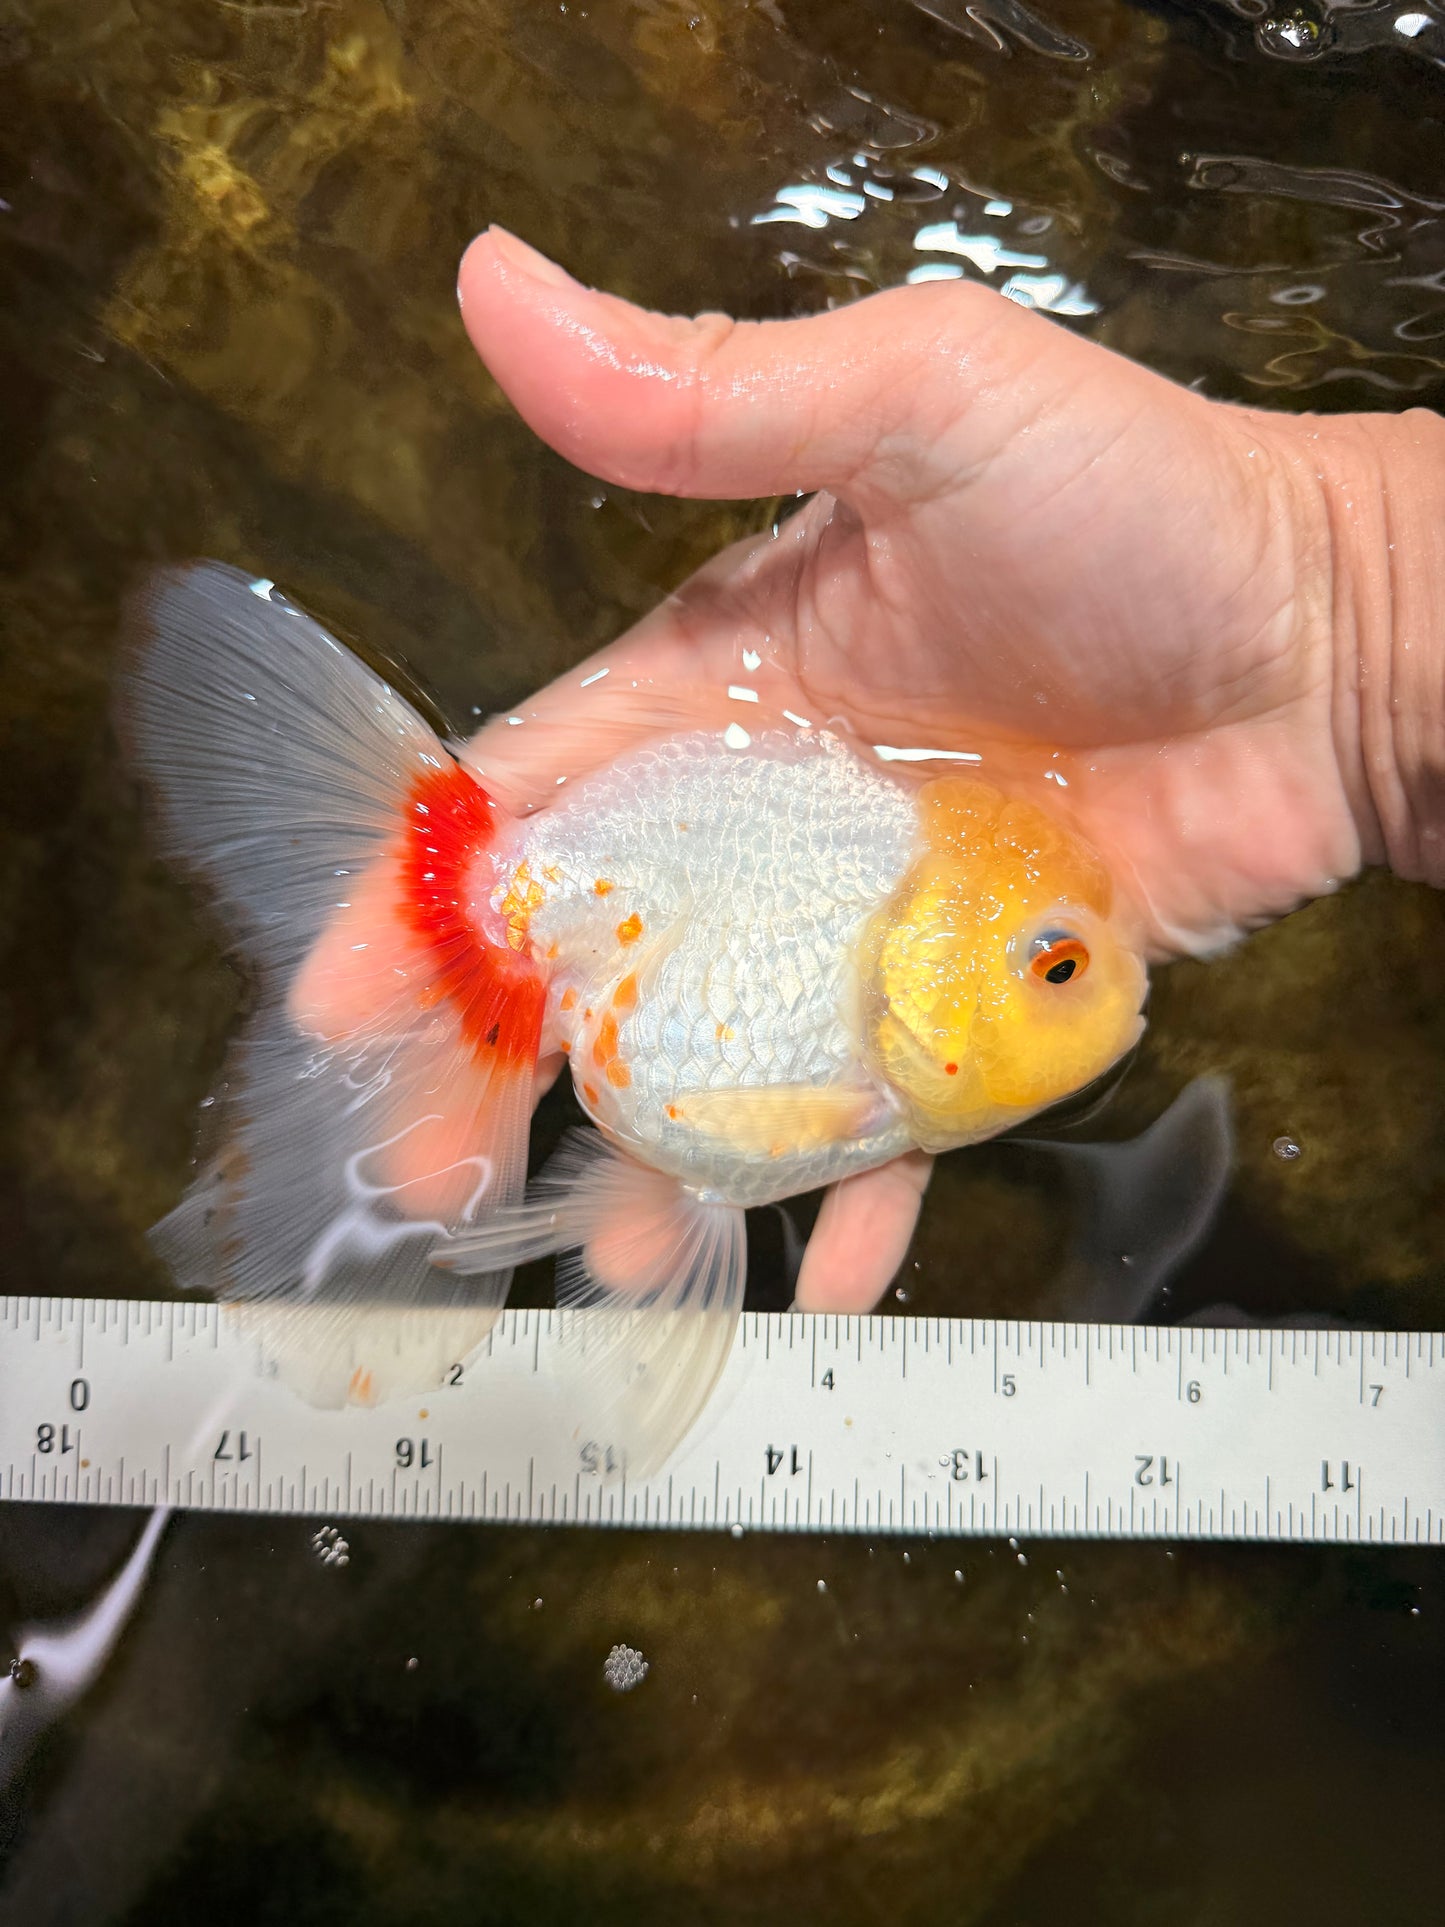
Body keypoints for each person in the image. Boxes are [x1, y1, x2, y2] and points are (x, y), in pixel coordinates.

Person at [322, 228, 1445, 1315]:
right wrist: (1344, 620)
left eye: (1058, 963)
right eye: (1051, 966)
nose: (1110, 987)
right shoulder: (886, 977)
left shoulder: (896, 1019)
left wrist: (1346, 620)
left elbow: (737, 1133)